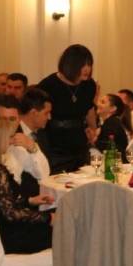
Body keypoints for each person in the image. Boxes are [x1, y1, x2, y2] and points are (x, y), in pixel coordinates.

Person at [0, 113, 54, 254]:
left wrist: (30, 201)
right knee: (60, 228)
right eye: (8, 137)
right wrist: (48, 218)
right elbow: (10, 214)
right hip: (4, 237)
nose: (10, 142)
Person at [38, 44, 97, 173]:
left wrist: (93, 129)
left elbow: (89, 109)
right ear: (70, 65)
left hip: (79, 141)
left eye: (89, 64)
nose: (87, 69)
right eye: (83, 65)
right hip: (54, 144)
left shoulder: (89, 85)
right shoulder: (48, 85)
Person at [9, 88, 52, 186]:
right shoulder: (13, 134)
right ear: (33, 113)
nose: (50, 117)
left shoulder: (42, 133)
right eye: (46, 113)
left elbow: (47, 168)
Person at [90, 93, 130, 162]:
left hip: (116, 163)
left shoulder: (112, 123)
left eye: (102, 102)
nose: (98, 104)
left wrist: (94, 140)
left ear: (113, 108)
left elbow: (108, 146)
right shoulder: (110, 122)